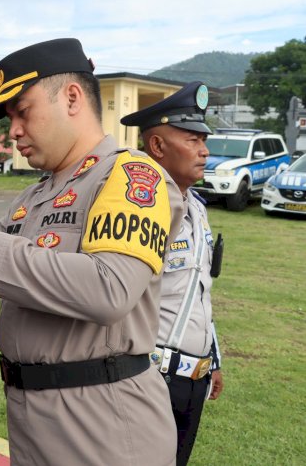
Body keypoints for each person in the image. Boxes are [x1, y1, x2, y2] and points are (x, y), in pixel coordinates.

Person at [0, 38, 184, 466]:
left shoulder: (129, 176)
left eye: (22, 112)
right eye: (9, 118)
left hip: (101, 422)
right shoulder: (35, 195)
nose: (12, 131)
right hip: (32, 415)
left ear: (71, 97)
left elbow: (110, 288)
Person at [121, 81, 224, 466]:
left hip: (192, 380)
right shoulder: (140, 208)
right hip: (151, 375)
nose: (205, 150)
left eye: (204, 140)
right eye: (193, 140)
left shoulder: (196, 207)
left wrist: (212, 359)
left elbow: (198, 291)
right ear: (158, 147)